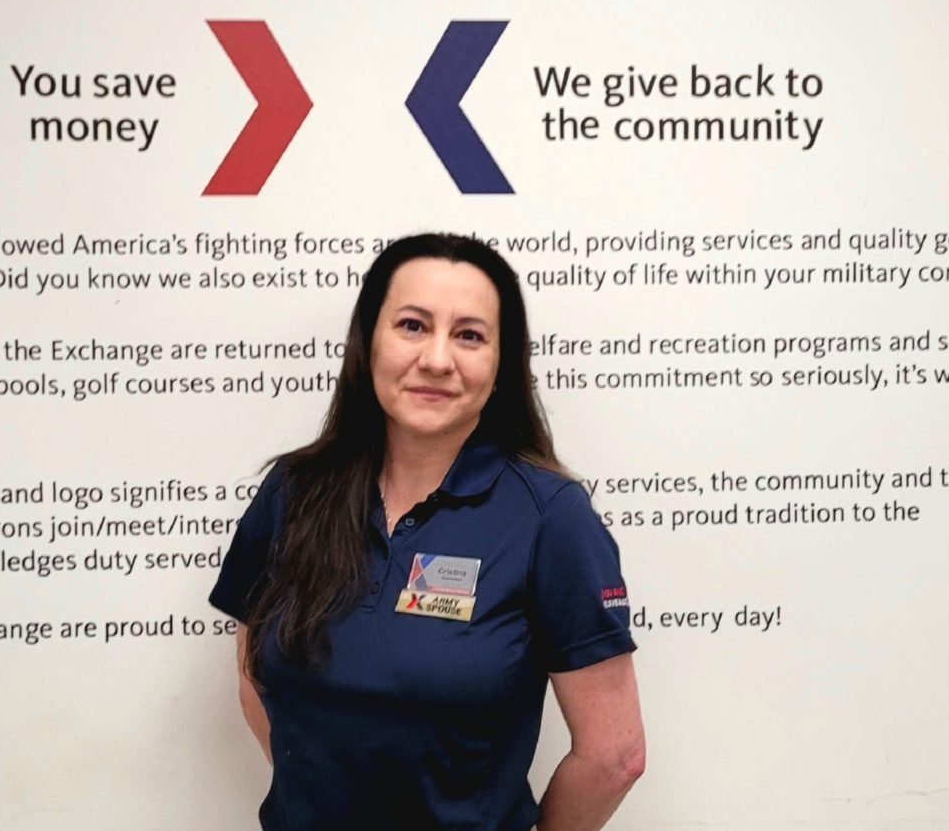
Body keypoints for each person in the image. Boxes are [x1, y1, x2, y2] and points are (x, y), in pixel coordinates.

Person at [208, 233, 644, 830]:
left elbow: (614, 755)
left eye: (469, 335)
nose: (438, 359)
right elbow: (256, 679)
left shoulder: (550, 517)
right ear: (369, 341)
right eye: (412, 325)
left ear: (502, 362)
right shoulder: (293, 491)